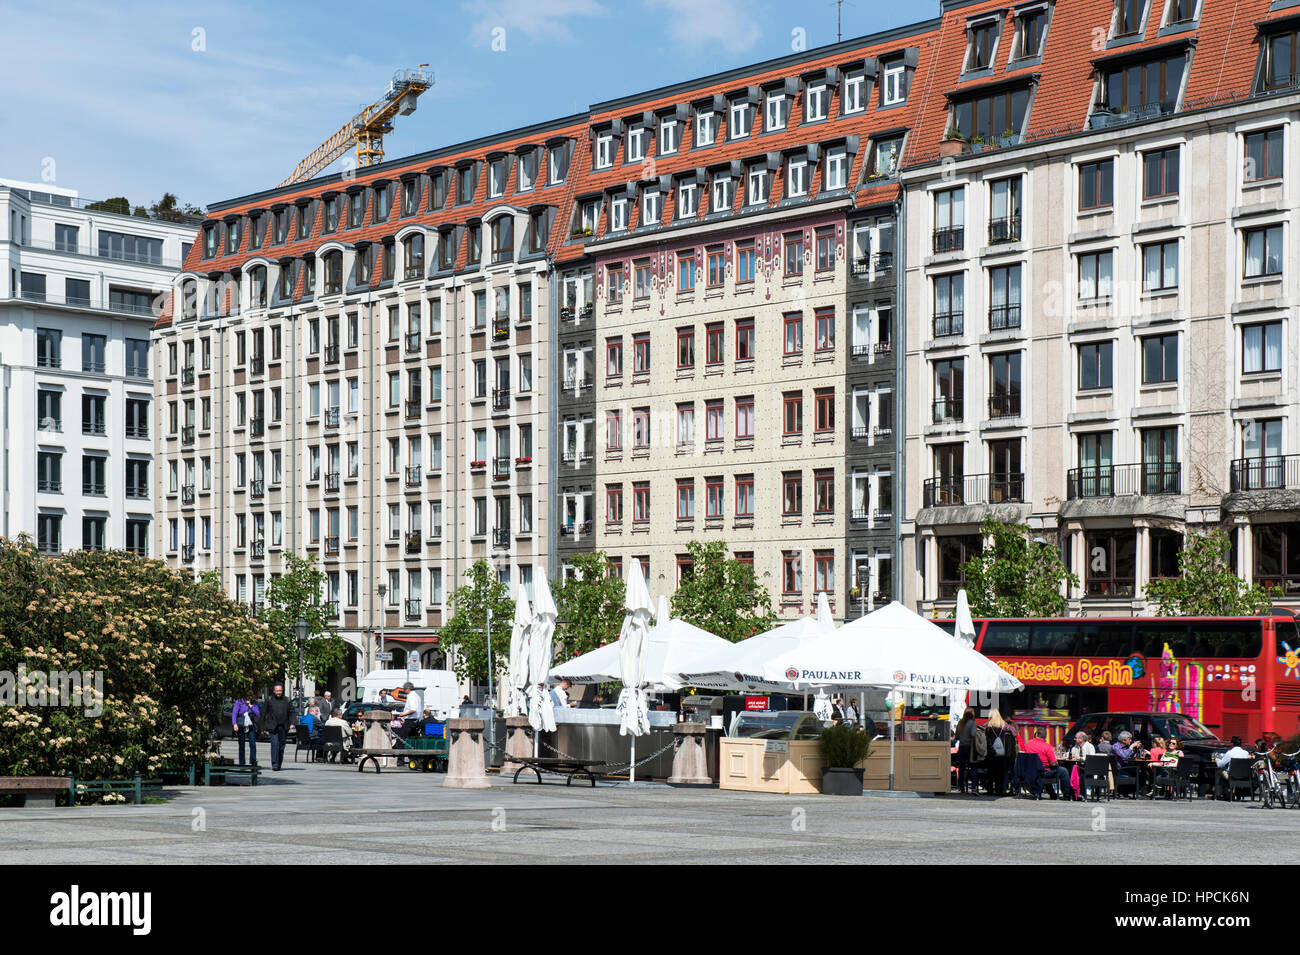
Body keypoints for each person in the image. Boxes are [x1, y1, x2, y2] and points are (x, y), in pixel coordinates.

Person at [1022, 728, 1071, 799]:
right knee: (1063, 771)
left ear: (1037, 734)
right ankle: (1067, 795)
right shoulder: (1047, 746)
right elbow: (1053, 763)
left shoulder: (1028, 743)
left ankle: (1052, 793)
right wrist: (1057, 763)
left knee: (1049, 770)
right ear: (1045, 736)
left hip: (1030, 771)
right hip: (1043, 772)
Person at [983, 709, 1017, 796]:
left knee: (990, 771)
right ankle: (1000, 789)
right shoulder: (1005, 726)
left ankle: (990, 789)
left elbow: (983, 735)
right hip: (1002, 752)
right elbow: (1014, 732)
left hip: (991, 752)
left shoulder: (987, 726)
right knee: (1001, 771)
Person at [261, 683, 292, 771]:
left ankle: (279, 763)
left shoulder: (286, 700)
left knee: (281, 746)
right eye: (277, 691)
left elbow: (292, 712)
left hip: (283, 726)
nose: (279, 692)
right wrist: (262, 727)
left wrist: (293, 722)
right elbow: (263, 713)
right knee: (275, 744)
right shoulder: (269, 700)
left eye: (280, 691)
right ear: (274, 691)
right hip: (273, 727)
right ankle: (274, 764)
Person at [231, 693, 260, 767]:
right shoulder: (239, 701)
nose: (248, 697)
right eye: (247, 695)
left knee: (252, 743)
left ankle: (253, 761)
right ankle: (242, 763)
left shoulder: (253, 702)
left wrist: (250, 705)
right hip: (241, 722)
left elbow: (258, 713)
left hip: (250, 723)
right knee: (241, 744)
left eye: (250, 695)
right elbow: (234, 713)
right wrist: (234, 724)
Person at [955, 708, 978, 794]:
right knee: (973, 768)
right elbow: (973, 734)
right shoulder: (972, 723)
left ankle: (962, 788)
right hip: (970, 748)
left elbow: (956, 736)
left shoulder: (960, 722)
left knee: (961, 768)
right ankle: (974, 788)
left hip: (961, 747)